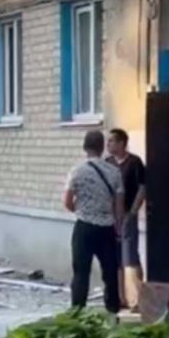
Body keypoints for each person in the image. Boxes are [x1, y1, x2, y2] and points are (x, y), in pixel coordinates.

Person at [64, 130, 123, 314]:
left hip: (84, 228)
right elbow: (119, 205)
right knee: (110, 272)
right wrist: (118, 228)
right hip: (106, 229)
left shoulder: (77, 171)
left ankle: (77, 313)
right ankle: (112, 312)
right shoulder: (114, 172)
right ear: (102, 147)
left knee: (81, 272)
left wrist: (81, 210)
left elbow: (67, 202)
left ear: (85, 147)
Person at [106, 128, 147, 310]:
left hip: (127, 215)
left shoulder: (134, 162)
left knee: (130, 256)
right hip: (110, 217)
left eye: (112, 141)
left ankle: (139, 298)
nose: (108, 145)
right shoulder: (107, 163)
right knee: (115, 259)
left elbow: (142, 187)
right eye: (107, 141)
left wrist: (133, 211)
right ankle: (120, 297)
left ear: (122, 143)